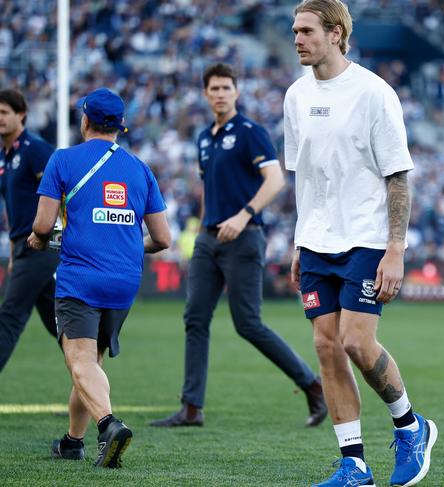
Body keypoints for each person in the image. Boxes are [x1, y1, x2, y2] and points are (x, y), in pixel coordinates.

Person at [284, 1, 436, 486]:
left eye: (306, 30)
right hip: (314, 242)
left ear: (335, 33)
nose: (297, 39)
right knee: (326, 347)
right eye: (294, 31)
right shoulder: (294, 96)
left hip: (366, 239)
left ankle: (411, 426)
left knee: (355, 341)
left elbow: (397, 177)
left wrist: (396, 248)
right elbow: (303, 179)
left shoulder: (374, 92)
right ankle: (354, 464)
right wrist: (297, 242)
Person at [149, 63, 327, 429]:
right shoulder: (203, 138)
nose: (219, 93)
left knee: (248, 323)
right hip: (208, 239)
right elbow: (208, 189)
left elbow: (276, 180)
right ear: (205, 93)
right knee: (194, 319)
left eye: (226, 87)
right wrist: (202, 228)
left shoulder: (250, 132)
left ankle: (312, 385)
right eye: (213, 88)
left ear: (236, 92)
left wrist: (243, 215)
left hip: (244, 238)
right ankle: (192, 408)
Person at [27, 87, 171, 468]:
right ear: (121, 126)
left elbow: (42, 224)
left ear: (85, 120)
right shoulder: (140, 168)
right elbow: (163, 238)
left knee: (79, 360)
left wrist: (39, 240)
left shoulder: (63, 160)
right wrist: (121, 246)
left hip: (80, 279)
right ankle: (73, 442)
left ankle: (108, 426)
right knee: (90, 364)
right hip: (124, 282)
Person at [0, 88, 58, 372]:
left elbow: (61, 191)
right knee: (62, 328)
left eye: (4, 113)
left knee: (9, 317)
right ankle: (92, 391)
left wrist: (48, 233)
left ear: (21, 115)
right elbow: (13, 208)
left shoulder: (35, 150)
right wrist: (12, 252)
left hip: (38, 246)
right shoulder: (5, 156)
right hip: (22, 247)